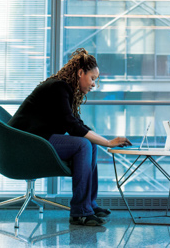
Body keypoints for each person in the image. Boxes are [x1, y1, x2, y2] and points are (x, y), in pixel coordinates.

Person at [8, 48, 131, 226]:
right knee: (83, 145)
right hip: (25, 143)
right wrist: (107, 142)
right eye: (92, 78)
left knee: (89, 143)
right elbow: (73, 127)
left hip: (38, 139)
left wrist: (103, 141)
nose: (94, 84)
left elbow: (76, 124)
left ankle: (89, 204)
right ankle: (80, 212)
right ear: (80, 73)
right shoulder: (59, 87)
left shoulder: (64, 88)